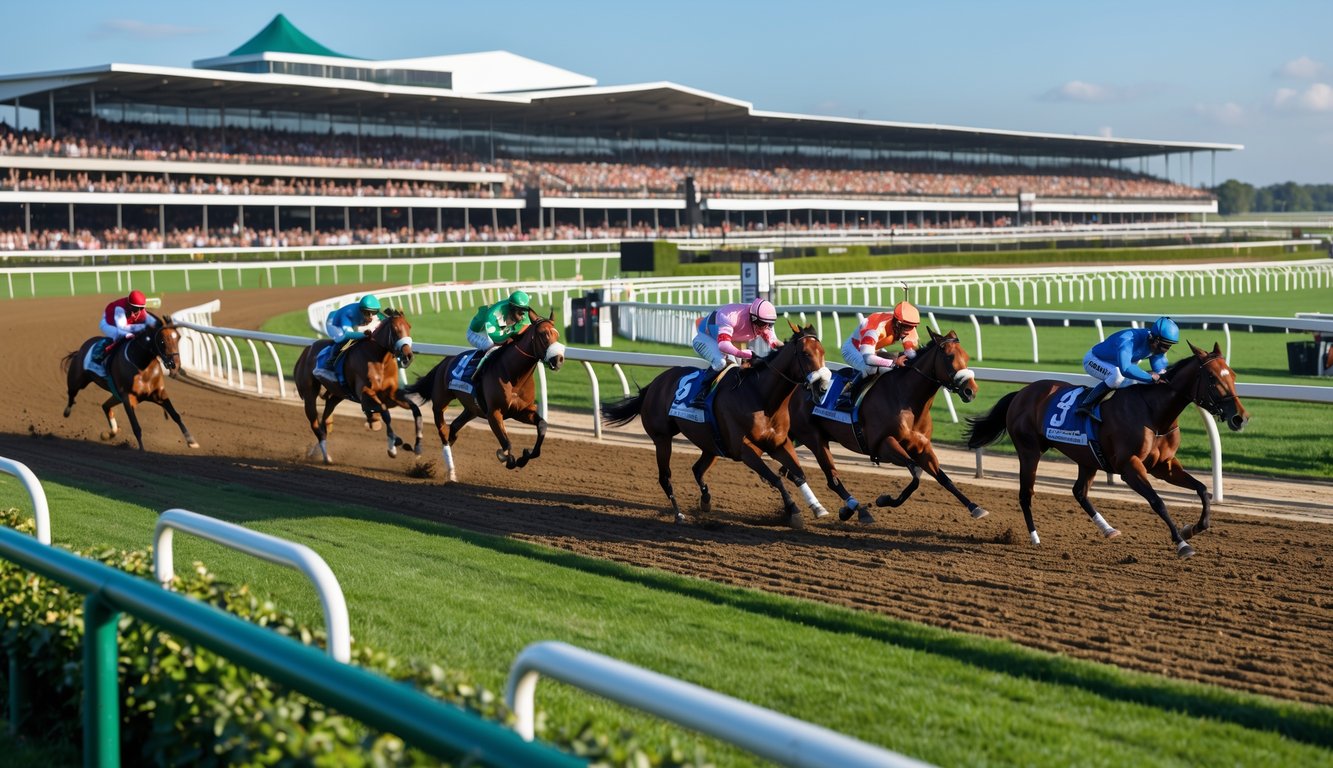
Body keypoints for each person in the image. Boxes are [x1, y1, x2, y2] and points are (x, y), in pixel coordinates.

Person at [1074, 316, 1179, 421]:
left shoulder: (1155, 345)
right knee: (1117, 377)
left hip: (1117, 363)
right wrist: (1150, 377)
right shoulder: (1128, 340)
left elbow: (1160, 370)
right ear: (1155, 340)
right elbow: (1126, 369)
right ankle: (1086, 405)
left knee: (1137, 381)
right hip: (1095, 360)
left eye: (1168, 346)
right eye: (1164, 346)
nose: (1165, 350)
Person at [689, 298, 783, 407]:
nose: (766, 327)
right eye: (762, 324)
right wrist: (743, 354)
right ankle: (699, 394)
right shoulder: (731, 316)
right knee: (721, 363)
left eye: (769, 324)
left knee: (736, 371)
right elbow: (723, 345)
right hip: (706, 338)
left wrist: (793, 347)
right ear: (753, 318)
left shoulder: (763, 319)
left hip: (726, 341)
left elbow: (774, 342)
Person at [839, 301, 921, 397]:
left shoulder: (907, 325)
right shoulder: (874, 328)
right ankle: (847, 393)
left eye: (912, 327)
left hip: (873, 349)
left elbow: (911, 354)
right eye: (906, 327)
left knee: (899, 360)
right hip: (853, 349)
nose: (909, 331)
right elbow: (868, 359)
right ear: (897, 324)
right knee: (871, 368)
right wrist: (894, 363)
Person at [315, 295, 385, 385]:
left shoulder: (371, 310)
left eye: (374, 312)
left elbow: (387, 321)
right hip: (335, 324)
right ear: (361, 310)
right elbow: (348, 335)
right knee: (345, 341)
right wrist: (363, 335)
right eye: (367, 313)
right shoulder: (349, 313)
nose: (371, 316)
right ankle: (329, 365)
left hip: (353, 323)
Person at [98, 289, 158, 361]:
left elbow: (151, 321)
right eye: (136, 308)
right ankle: (101, 353)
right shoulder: (119, 308)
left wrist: (158, 325)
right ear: (130, 305)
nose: (139, 311)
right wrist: (143, 326)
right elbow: (122, 327)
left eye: (141, 308)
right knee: (125, 335)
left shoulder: (139, 309)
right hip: (108, 324)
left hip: (127, 324)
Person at [467, 290, 533, 352]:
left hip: (500, 330)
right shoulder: (494, 315)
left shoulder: (524, 314)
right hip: (477, 333)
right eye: (520, 312)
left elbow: (526, 330)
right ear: (511, 309)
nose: (524, 315)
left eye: (525, 310)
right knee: (491, 346)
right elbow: (498, 340)